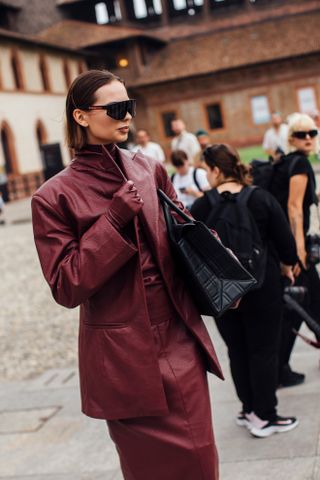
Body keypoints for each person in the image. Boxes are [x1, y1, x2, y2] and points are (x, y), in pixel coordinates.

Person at [31, 69, 223, 480]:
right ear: (81, 116)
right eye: (116, 109)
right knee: (147, 470)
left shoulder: (149, 168)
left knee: (202, 461)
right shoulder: (53, 196)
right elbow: (66, 285)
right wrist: (114, 221)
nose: (127, 117)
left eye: (129, 107)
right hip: (122, 361)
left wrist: (213, 249)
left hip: (177, 338)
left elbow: (183, 232)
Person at [191, 143, 299, 438]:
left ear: (214, 169)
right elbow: (286, 244)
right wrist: (288, 265)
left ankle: (248, 408)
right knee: (263, 351)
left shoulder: (202, 206)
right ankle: (265, 416)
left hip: (223, 292)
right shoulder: (260, 198)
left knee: (237, 350)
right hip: (263, 286)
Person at [269, 112, 320, 386]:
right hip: (293, 248)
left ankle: (279, 368)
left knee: (302, 305)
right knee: (299, 307)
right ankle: (279, 370)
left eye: (313, 133)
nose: (309, 138)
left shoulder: (285, 161)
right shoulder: (299, 163)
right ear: (292, 139)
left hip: (280, 245)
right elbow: (294, 208)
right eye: (302, 134)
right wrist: (298, 251)